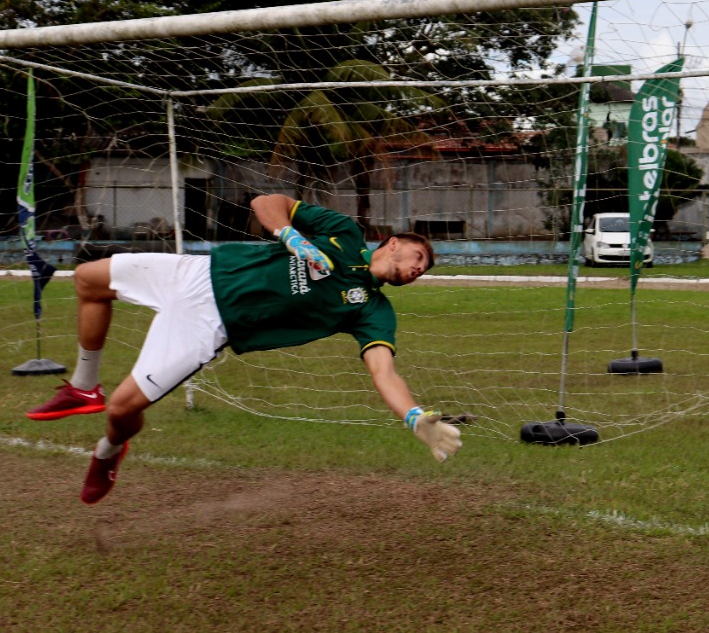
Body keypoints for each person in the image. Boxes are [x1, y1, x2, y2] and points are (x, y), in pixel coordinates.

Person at [26, 194, 462, 504]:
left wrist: (413, 416)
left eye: (421, 271)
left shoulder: (373, 312)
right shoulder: (343, 233)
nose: (417, 270)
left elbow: (383, 373)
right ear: (392, 243)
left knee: (121, 411)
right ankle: (84, 386)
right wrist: (292, 236)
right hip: (195, 271)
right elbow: (266, 202)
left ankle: (106, 453)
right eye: (417, 258)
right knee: (87, 278)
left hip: (208, 325)